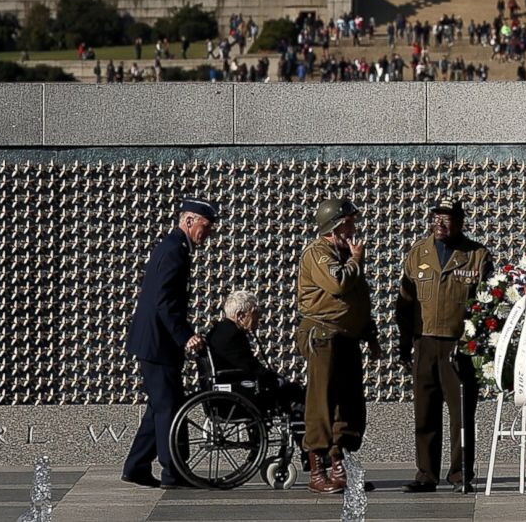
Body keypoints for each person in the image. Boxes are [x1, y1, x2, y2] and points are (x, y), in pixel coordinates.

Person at [395, 198, 493, 493]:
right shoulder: (417, 253)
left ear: (460, 222)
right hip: (424, 342)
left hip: (458, 346)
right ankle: (426, 473)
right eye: (436, 216)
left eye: (447, 218)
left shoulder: (476, 255)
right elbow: (405, 303)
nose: (439, 222)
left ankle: (460, 472)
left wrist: (475, 346)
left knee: (461, 413)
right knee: (425, 411)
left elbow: (486, 306)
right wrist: (404, 345)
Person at [122, 198, 217, 489]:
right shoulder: (175, 251)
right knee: (170, 409)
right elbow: (165, 303)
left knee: (159, 407)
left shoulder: (174, 248)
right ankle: (173, 472)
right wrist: (185, 336)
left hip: (156, 344)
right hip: (158, 344)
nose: (209, 233)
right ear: (189, 220)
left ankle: (136, 466)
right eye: (205, 226)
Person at [297, 197, 380, 494]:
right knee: (322, 402)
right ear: (336, 226)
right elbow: (338, 284)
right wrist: (357, 259)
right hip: (323, 335)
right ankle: (317, 468)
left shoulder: (343, 254)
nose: (354, 228)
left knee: (349, 403)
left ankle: (339, 463)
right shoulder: (318, 253)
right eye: (349, 223)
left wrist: (370, 335)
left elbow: (358, 301)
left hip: (346, 336)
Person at [206, 291, 304, 417]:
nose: (258, 318)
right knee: (293, 391)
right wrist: (276, 379)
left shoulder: (219, 330)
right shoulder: (233, 335)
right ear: (240, 316)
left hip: (229, 391)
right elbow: (250, 366)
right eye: (254, 313)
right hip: (237, 396)